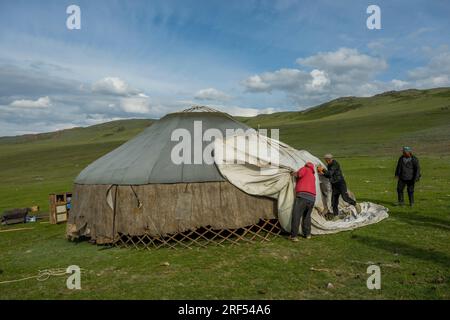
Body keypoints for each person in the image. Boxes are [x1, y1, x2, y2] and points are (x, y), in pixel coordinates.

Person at [289, 162, 316, 241]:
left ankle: (294, 236)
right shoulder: (313, 175)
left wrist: (292, 173)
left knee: (296, 215)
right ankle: (307, 234)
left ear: (306, 165)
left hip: (302, 196)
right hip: (312, 198)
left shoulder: (305, 169)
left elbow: (299, 175)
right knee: (307, 217)